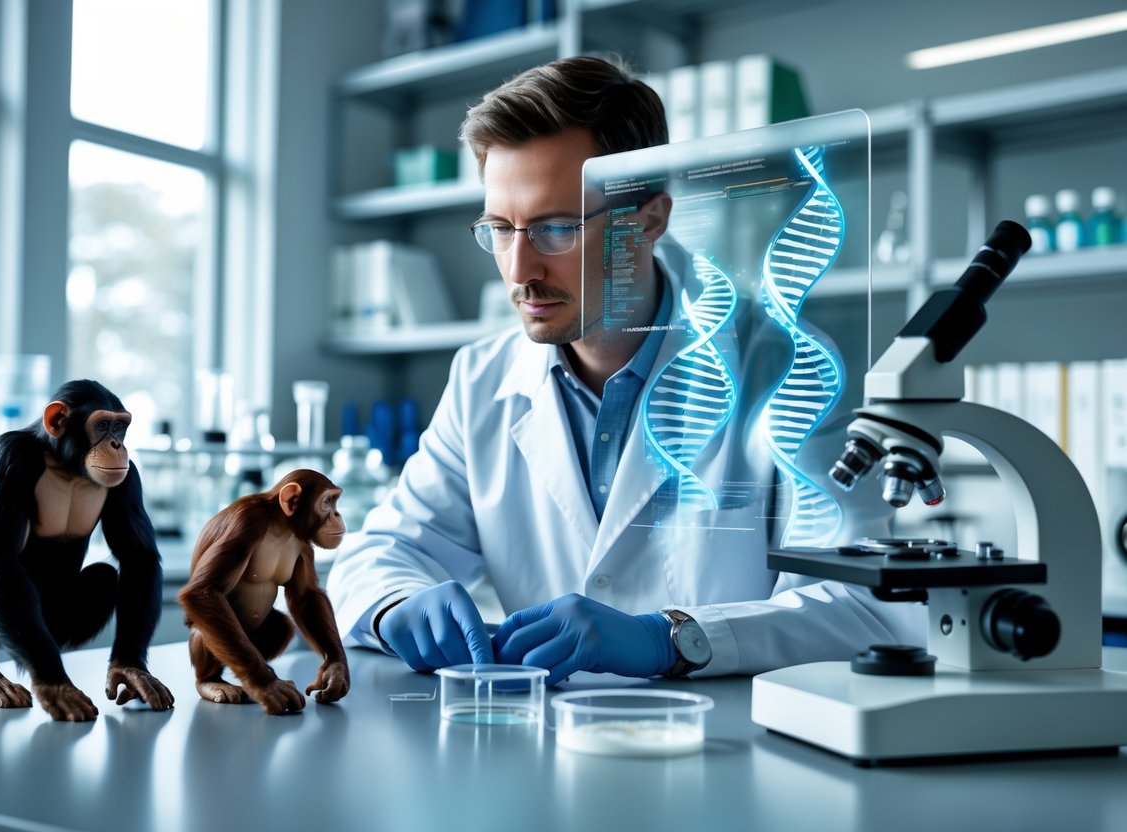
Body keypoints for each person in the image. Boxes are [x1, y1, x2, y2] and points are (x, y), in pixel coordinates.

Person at [328, 55, 923, 684]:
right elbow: (385, 551)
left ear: (649, 221)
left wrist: (672, 639)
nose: (519, 269)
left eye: (556, 228)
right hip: (542, 754)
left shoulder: (786, 364)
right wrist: (396, 603)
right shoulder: (482, 380)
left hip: (729, 756)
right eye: (501, 229)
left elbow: (864, 605)